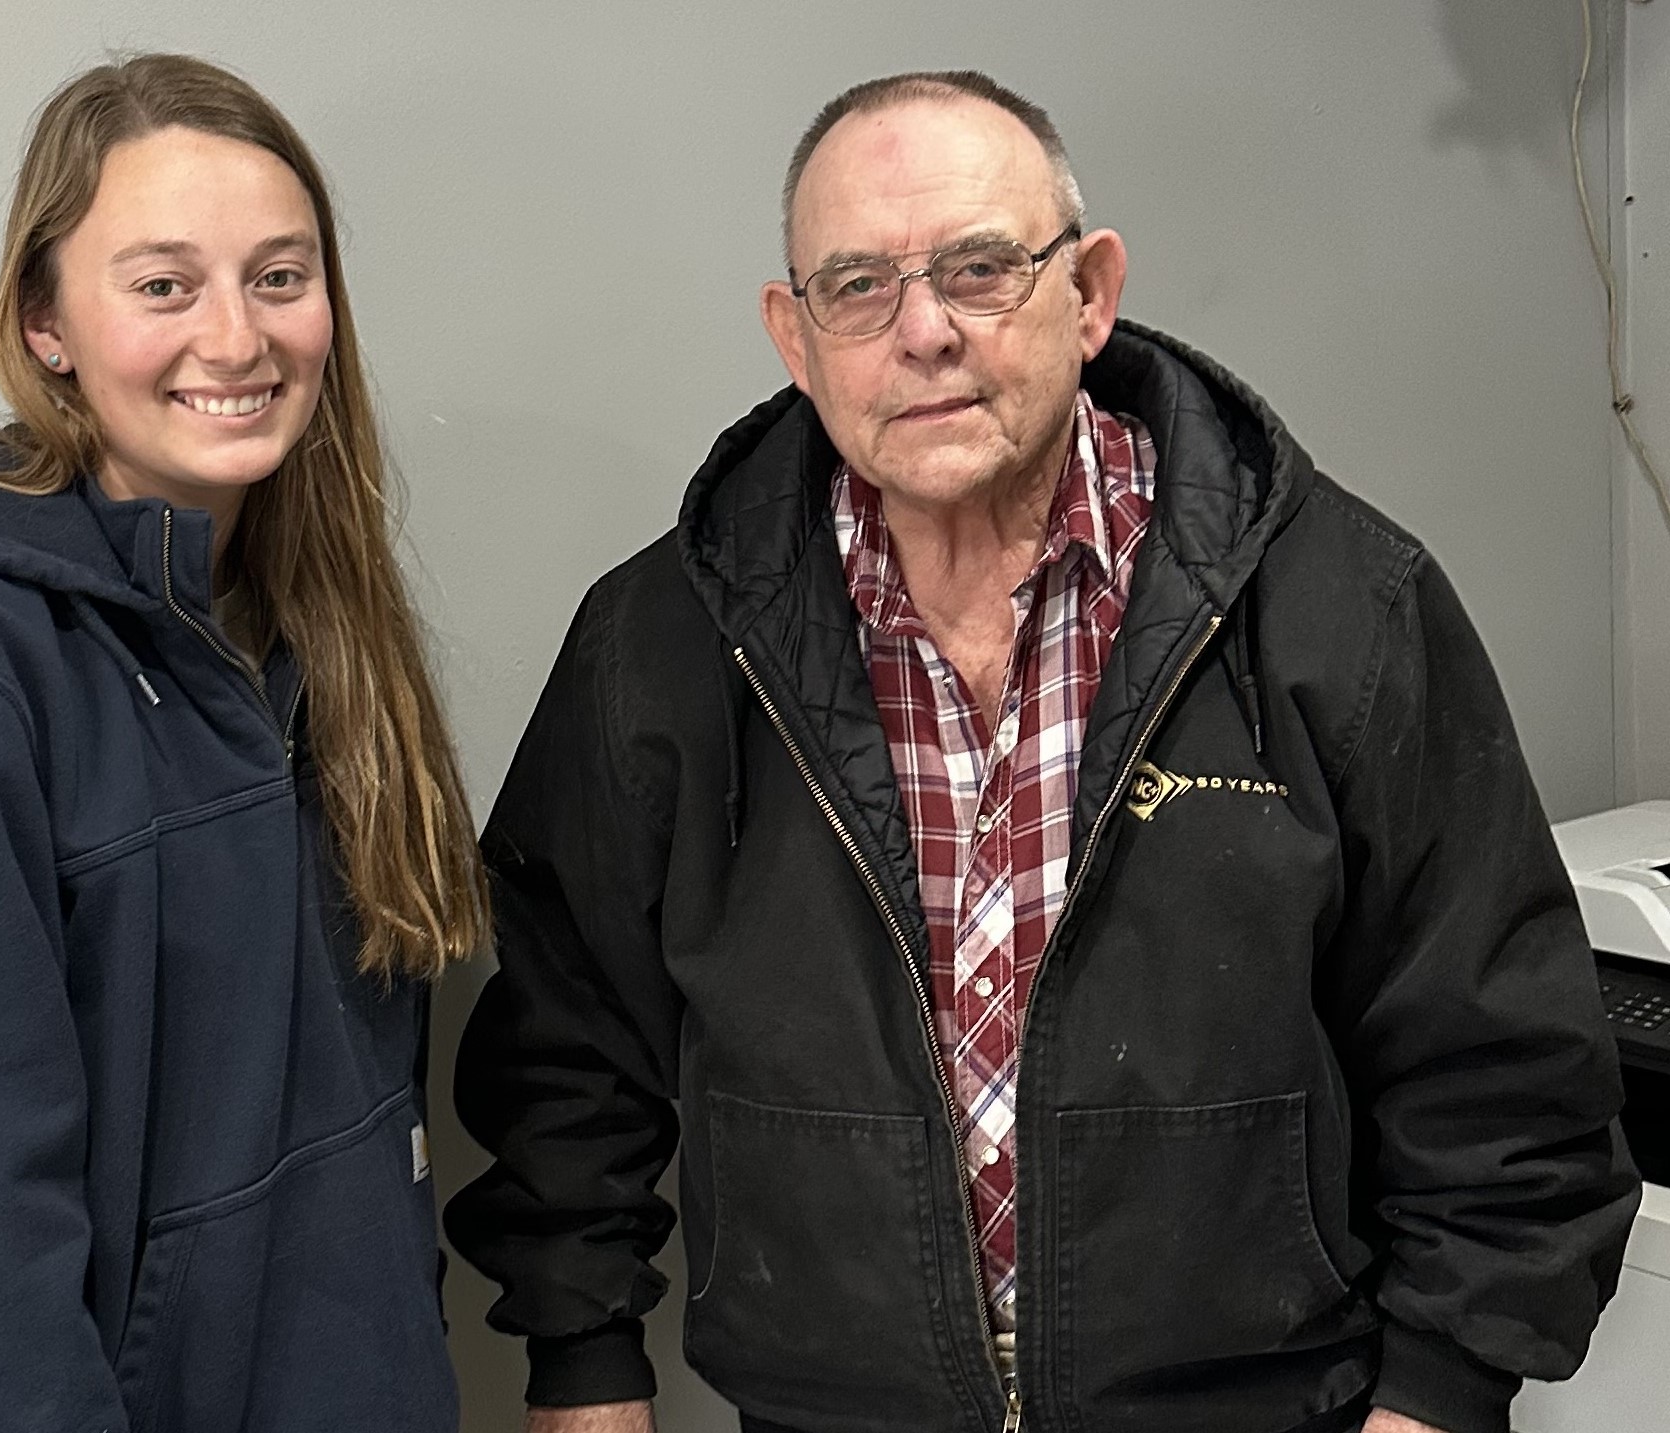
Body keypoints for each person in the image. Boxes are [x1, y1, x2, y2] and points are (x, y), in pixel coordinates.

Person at [445, 70, 1639, 1433]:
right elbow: (563, 1057)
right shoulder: (657, 643)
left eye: (979, 268)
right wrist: (583, 1368)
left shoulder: (1335, 610)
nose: (924, 331)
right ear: (792, 334)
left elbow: (1500, 1068)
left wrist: (1438, 1392)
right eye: (856, 286)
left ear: (1089, 293)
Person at [0, 53, 486, 1433]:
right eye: (161, 284)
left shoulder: (313, 640)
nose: (238, 338)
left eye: (277, 275)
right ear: (46, 323)